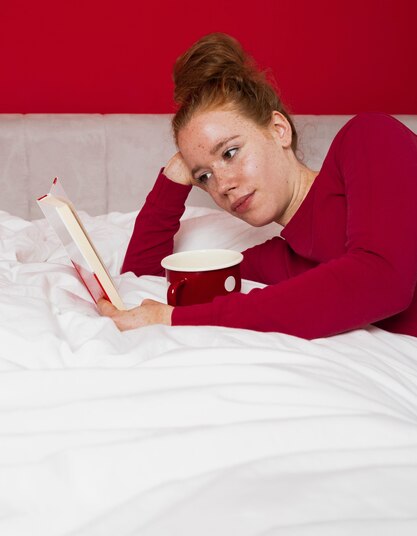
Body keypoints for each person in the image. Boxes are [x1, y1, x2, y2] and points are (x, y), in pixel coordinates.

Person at [98, 33, 417, 339]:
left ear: (279, 129)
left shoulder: (369, 138)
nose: (222, 185)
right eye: (205, 176)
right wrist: (173, 181)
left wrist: (172, 319)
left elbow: (382, 278)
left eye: (230, 152)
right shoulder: (278, 263)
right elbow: (143, 283)